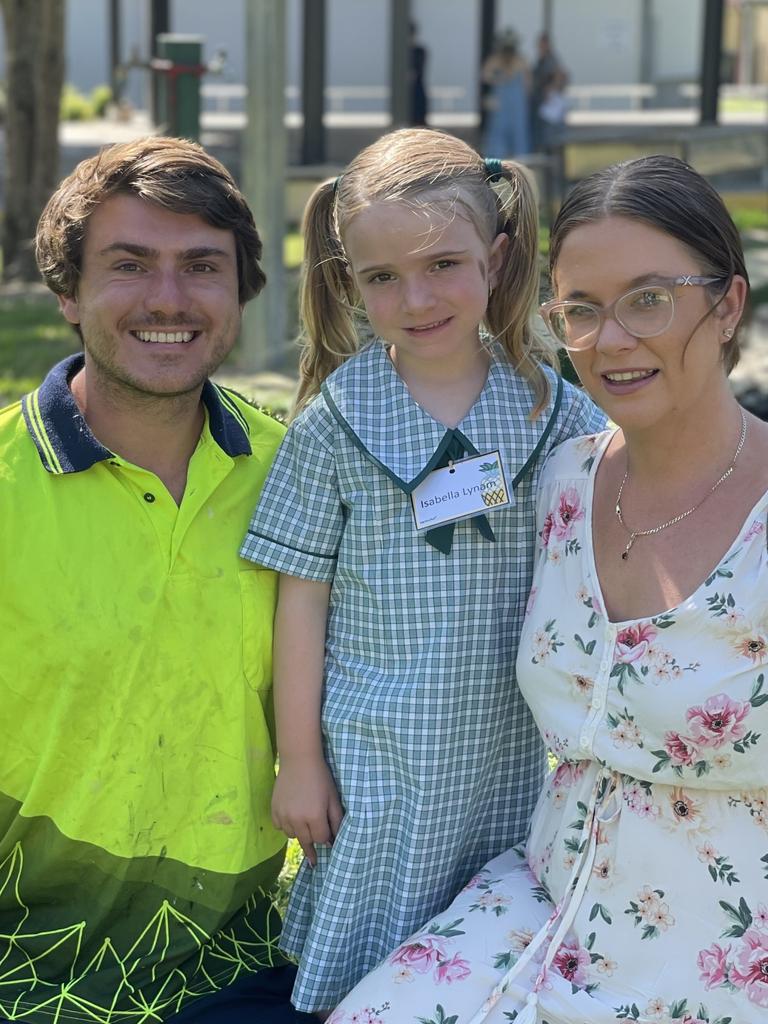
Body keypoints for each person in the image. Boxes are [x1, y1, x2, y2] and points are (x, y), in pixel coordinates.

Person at [329, 154, 768, 1023]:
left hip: (720, 944)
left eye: (649, 299)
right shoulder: (561, 478)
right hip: (544, 897)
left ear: (727, 306)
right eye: (580, 310)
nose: (610, 341)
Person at [239, 127, 605, 1016]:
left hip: (512, 756)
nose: (417, 297)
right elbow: (302, 598)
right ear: (348, 283)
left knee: (487, 953)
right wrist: (299, 761)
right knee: (369, 956)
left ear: (499, 255)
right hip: (378, 758)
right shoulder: (335, 423)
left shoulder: (554, 410)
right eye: (380, 277)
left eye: (444, 263)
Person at [0, 137, 309, 1023]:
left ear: (243, 290)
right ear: (68, 290)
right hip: (25, 980)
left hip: (242, 971)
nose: (168, 300)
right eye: (129, 265)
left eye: (202, 267)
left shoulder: (299, 476)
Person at [482, 29, 531, 158]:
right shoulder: (496, 60)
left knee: (518, 137)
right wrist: (499, 80)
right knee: (499, 137)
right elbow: (485, 76)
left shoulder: (520, 61)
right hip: (503, 108)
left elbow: (527, 84)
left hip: (516, 107)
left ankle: (517, 164)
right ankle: (497, 165)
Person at [408, 20, 429, 126]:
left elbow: (416, 73)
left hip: (416, 92)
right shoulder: (418, 51)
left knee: (418, 121)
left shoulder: (419, 51)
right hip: (410, 92)